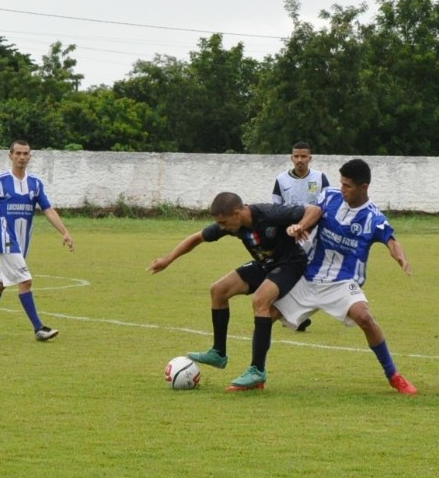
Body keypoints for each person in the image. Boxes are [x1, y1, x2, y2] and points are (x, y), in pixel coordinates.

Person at [230, 158, 418, 395]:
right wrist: (301, 226)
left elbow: (391, 240)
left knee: (365, 318)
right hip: (308, 277)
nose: (342, 189)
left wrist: (400, 258)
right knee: (267, 313)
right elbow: (315, 212)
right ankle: (257, 373)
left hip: (341, 283)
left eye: (348, 186)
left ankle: (394, 376)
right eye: (342, 183)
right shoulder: (330, 196)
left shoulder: (373, 217)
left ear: (364, 187)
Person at [148, 193, 322, 382]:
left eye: (223, 222)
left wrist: (301, 225)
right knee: (218, 290)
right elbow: (196, 238)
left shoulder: (269, 213)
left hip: (291, 264)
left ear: (237, 213)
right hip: (265, 264)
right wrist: (168, 259)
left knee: (260, 301)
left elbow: (315, 210)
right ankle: (218, 353)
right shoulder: (231, 224)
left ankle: (257, 370)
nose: (222, 227)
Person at [0, 140, 74, 341]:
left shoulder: (36, 184)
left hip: (22, 243)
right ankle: (39, 328)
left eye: (25, 154)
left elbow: (48, 210)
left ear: (30, 156)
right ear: (10, 155)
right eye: (18, 153)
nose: (22, 157)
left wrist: (64, 232)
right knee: (26, 281)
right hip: (5, 239)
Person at [271, 140, 330, 332]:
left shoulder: (320, 178)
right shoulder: (281, 180)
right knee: (290, 274)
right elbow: (276, 209)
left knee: (309, 277)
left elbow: (326, 208)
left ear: (310, 158)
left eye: (303, 156)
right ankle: (295, 316)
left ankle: (297, 314)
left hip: (315, 237)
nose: (299, 160)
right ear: (291, 158)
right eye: (296, 156)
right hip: (290, 237)